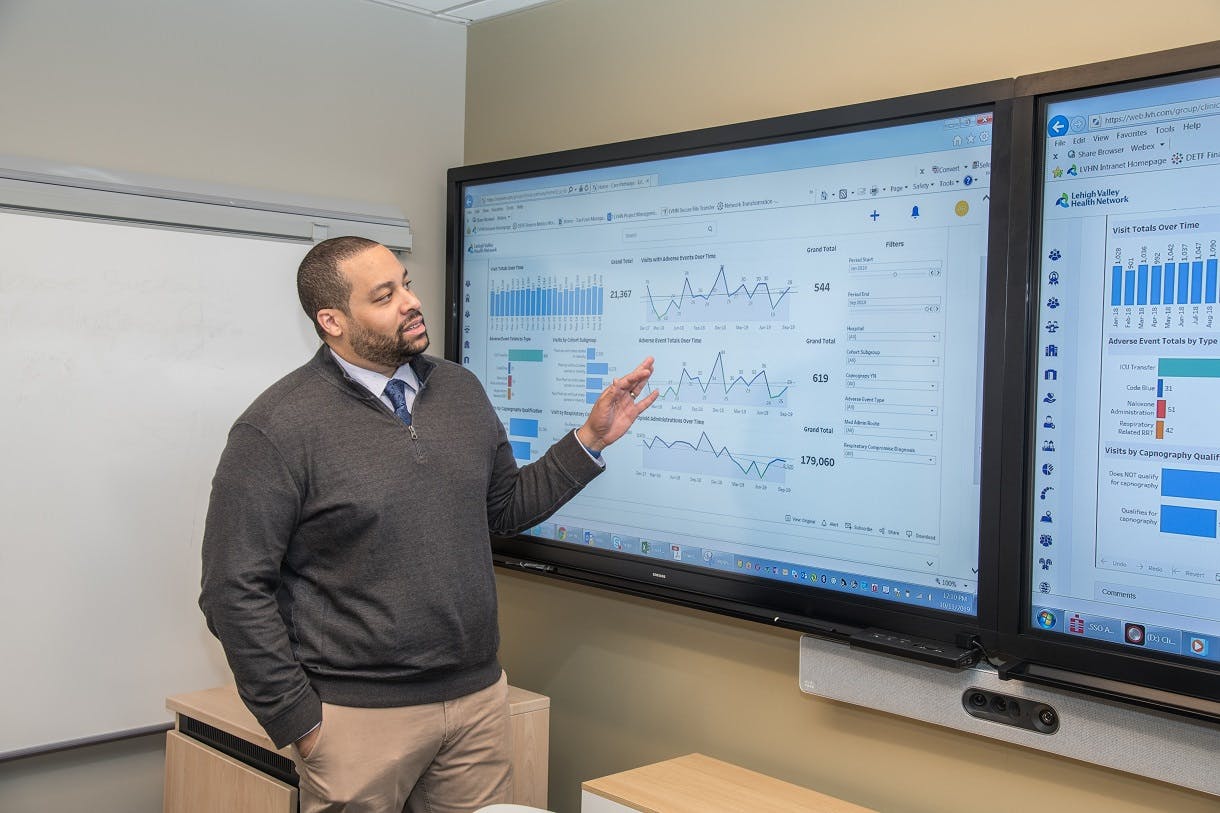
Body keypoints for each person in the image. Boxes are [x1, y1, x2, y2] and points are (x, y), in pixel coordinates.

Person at [199, 236, 657, 813]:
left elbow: (502, 511)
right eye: (384, 295)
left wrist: (589, 440)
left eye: (406, 284)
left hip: (476, 704)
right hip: (354, 722)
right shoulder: (276, 428)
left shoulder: (458, 390)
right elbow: (231, 590)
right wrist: (300, 721)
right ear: (332, 320)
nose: (410, 302)